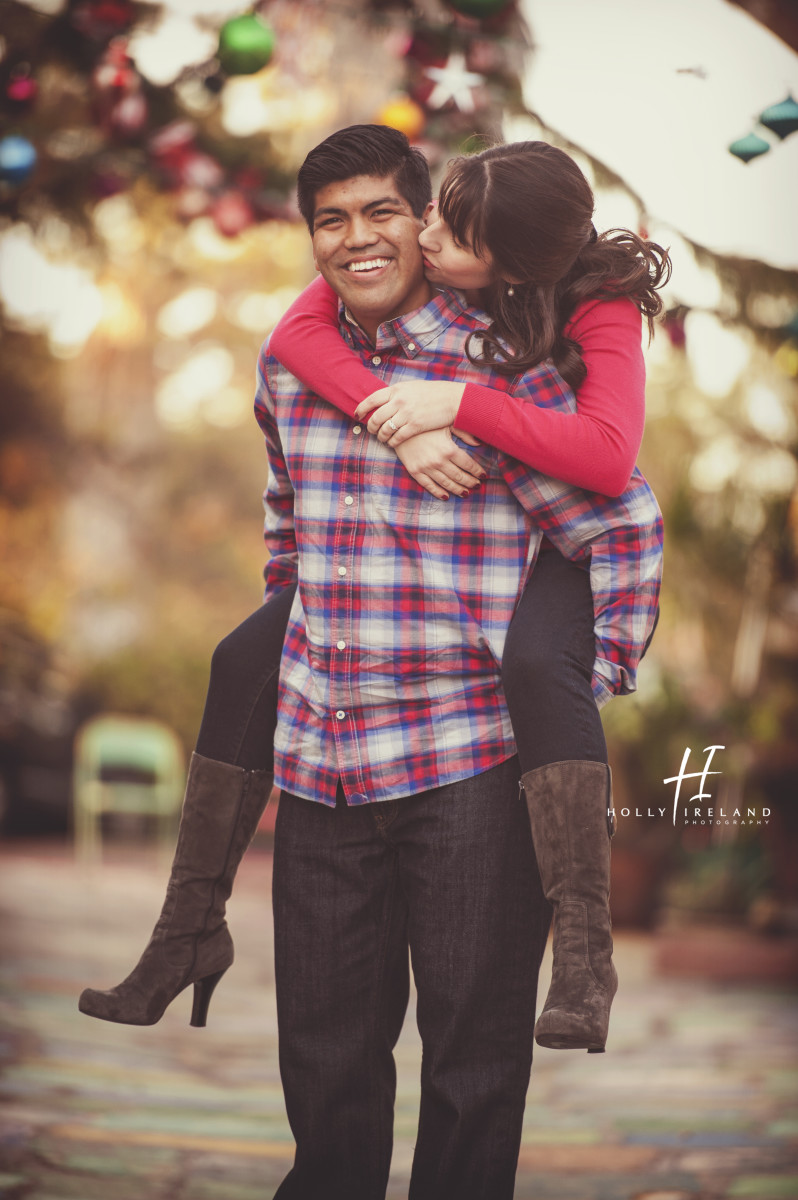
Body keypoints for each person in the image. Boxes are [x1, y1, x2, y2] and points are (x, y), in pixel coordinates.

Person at [78, 131, 664, 1184]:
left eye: (386, 212)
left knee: (473, 1076)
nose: (362, 238)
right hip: (321, 771)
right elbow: (287, 526)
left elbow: (616, 509)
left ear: (427, 224)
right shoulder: (292, 360)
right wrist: (297, 638)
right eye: (331, 219)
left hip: (469, 771)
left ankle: (586, 943)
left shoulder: (511, 356)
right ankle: (185, 927)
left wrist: (589, 663)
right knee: (327, 1072)